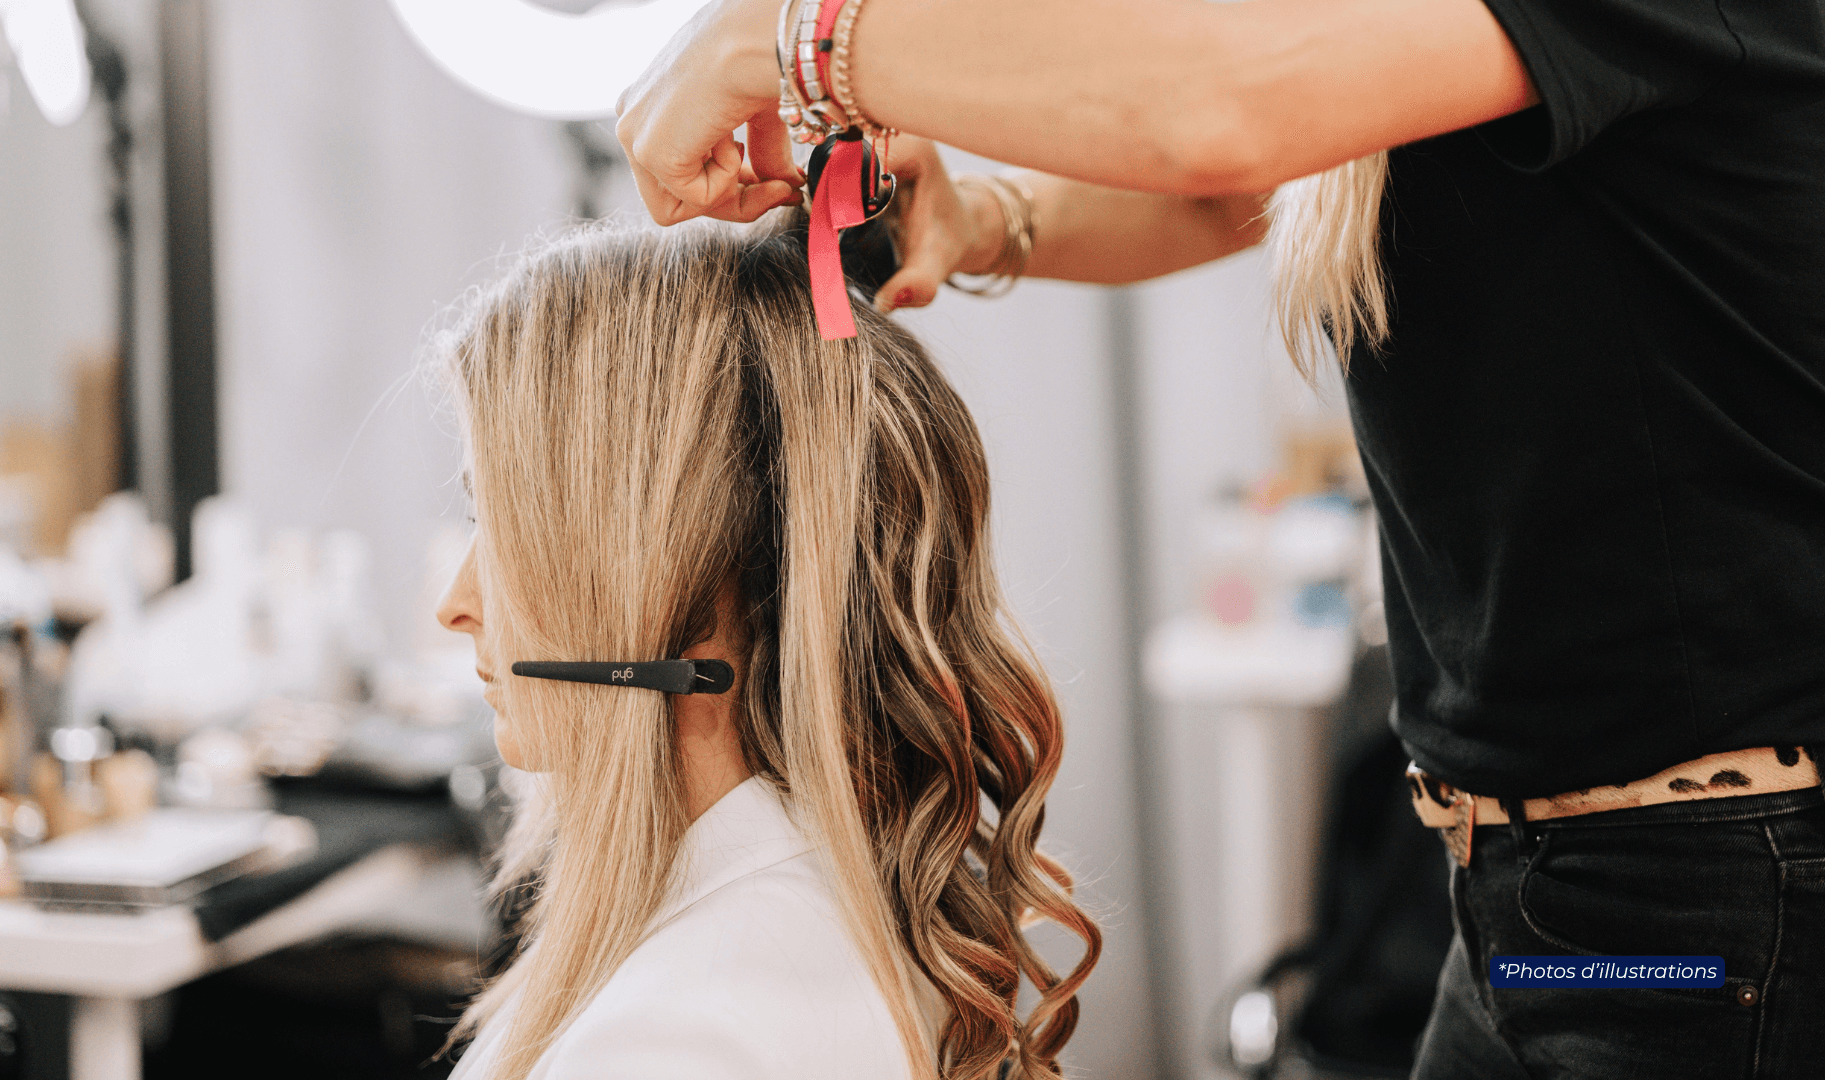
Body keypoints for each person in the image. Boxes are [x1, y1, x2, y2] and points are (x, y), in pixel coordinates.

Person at [612, 1, 1825, 1077]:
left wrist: (787, 39)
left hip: (1712, 904)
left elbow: (1226, 112)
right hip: (1541, 895)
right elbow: (1228, 187)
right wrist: (980, 219)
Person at [431, 214, 1100, 1080]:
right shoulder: (827, 895)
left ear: (648, 571)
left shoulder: (679, 1042)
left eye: (504, 524)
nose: (457, 605)